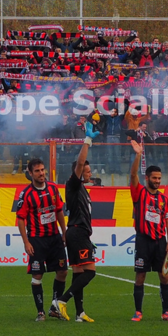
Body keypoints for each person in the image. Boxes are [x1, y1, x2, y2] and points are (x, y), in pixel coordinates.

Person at [128, 139, 168, 321]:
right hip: (143, 240)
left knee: (164, 276)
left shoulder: (165, 200)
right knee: (140, 276)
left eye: (159, 178)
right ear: (147, 178)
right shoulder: (139, 193)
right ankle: (138, 311)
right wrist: (138, 154)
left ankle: (166, 312)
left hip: (160, 242)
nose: (157, 181)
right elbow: (133, 176)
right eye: (154, 178)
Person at [16, 157, 68, 322]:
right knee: (37, 275)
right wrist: (26, 242)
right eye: (37, 171)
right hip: (37, 240)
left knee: (63, 271)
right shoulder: (26, 194)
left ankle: (55, 307)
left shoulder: (53, 188)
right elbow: (21, 219)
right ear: (30, 173)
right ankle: (40, 312)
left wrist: (64, 232)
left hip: (54, 238)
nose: (41, 173)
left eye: (42, 170)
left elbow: (59, 210)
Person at [56, 136, 98, 322]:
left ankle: (79, 312)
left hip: (78, 233)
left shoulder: (82, 189)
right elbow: (80, 162)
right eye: (86, 171)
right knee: (90, 272)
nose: (89, 174)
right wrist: (87, 142)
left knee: (79, 273)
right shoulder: (73, 184)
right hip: (77, 232)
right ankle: (61, 301)